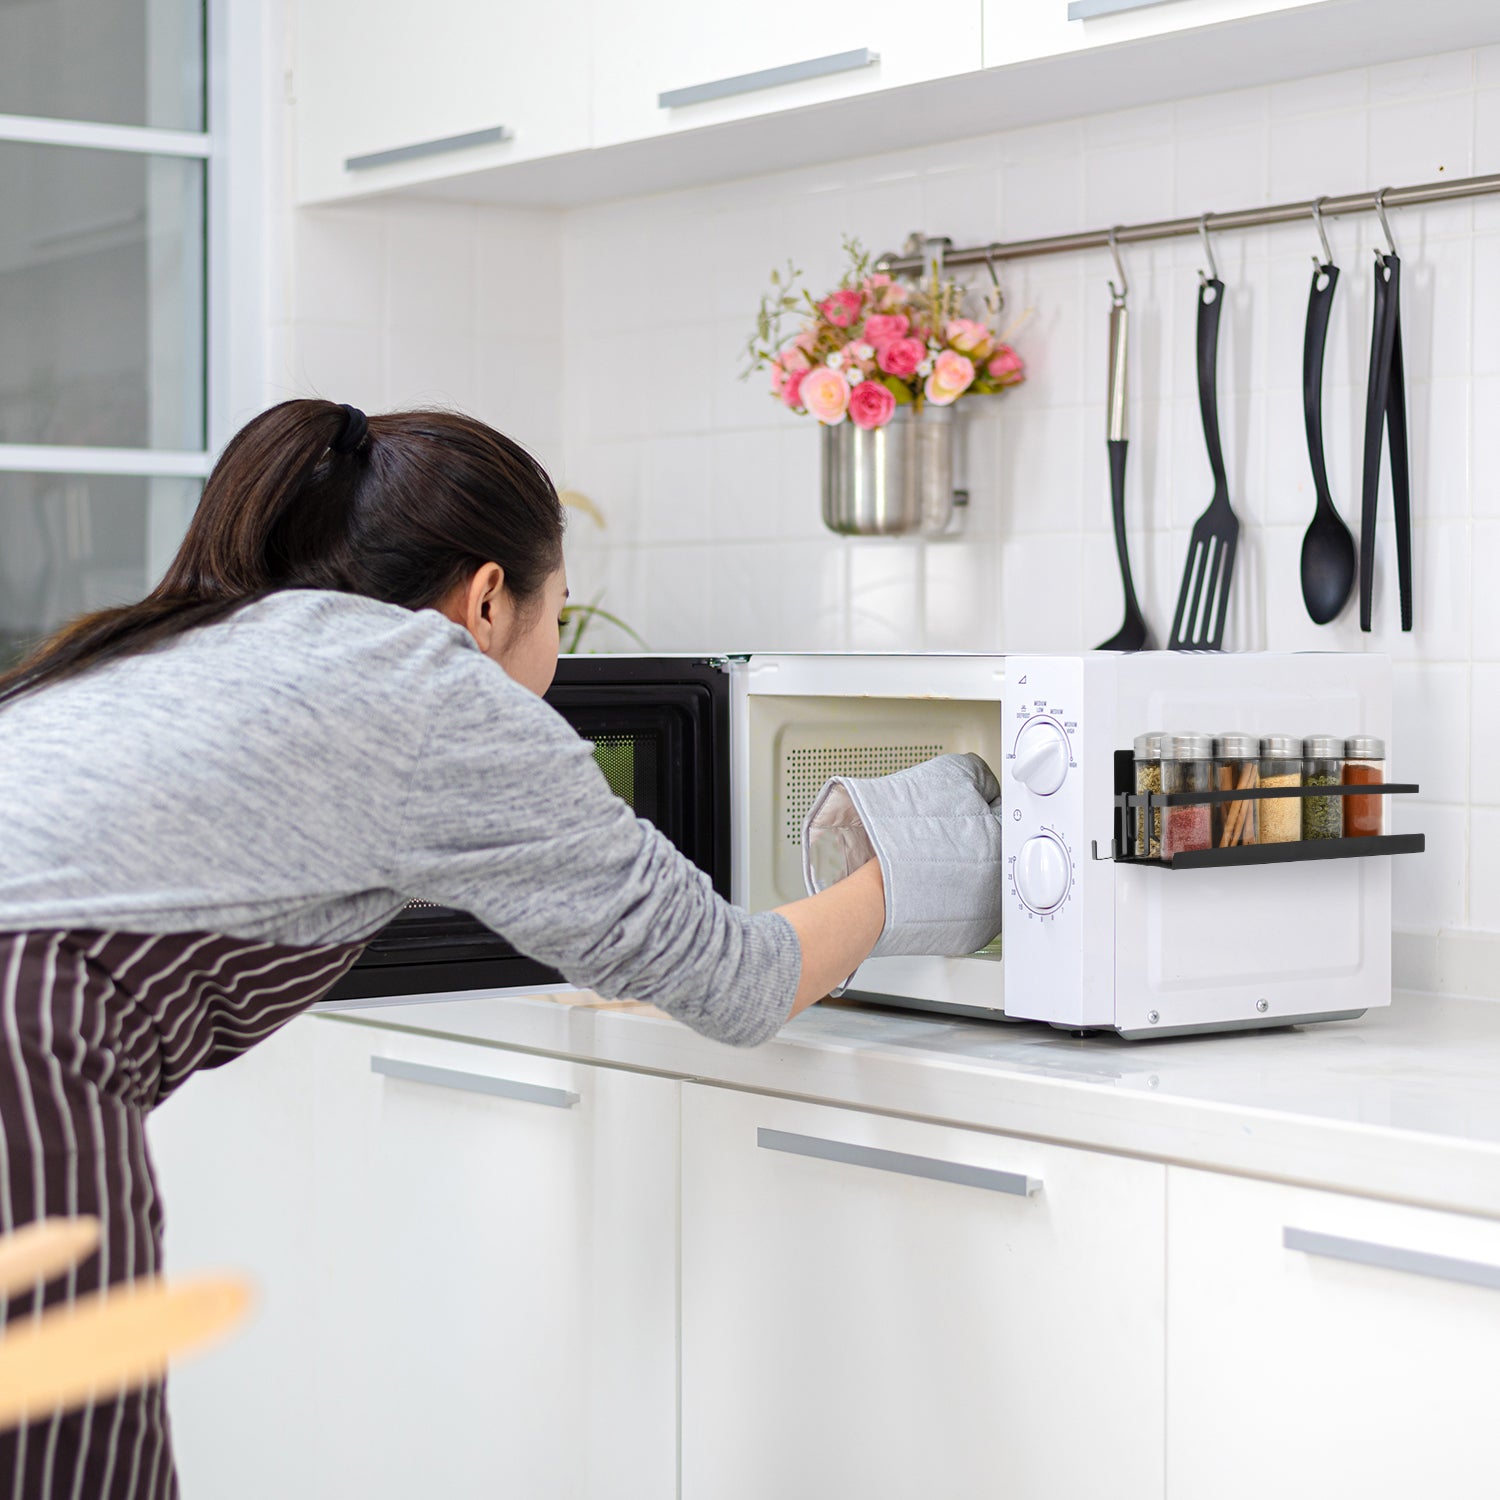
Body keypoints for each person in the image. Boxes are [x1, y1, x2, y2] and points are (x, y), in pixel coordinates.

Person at [0, 399, 998, 1498]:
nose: (554, 664)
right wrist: (921, 851)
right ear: (487, 599)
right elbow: (738, 979)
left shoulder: (194, 642)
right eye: (555, 618)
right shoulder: (429, 689)